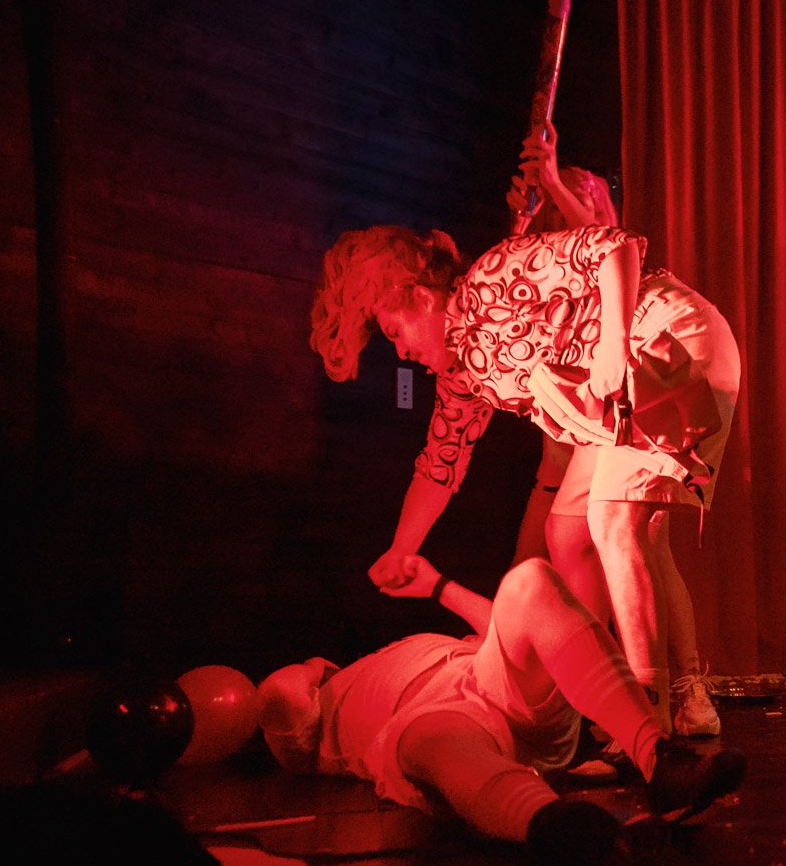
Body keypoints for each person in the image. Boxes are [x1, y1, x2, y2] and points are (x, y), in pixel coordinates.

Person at [306, 129, 738, 738]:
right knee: (571, 532)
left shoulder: (488, 281)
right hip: (631, 390)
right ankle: (665, 699)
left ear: (420, 297)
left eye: (396, 332)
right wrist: (403, 550)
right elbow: (440, 465)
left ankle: (645, 721)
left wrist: (610, 347)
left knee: (613, 521)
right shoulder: (462, 376)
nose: (400, 353)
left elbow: (615, 246)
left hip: (668, 343)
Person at [255, 555, 745, 866]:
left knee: (530, 581)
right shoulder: (320, 709)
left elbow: (518, 621)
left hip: (492, 686)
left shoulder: (416, 648)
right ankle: (564, 831)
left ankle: (660, 761)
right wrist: (314, 669)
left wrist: (437, 586)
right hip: (434, 721)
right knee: (435, 735)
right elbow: (278, 697)